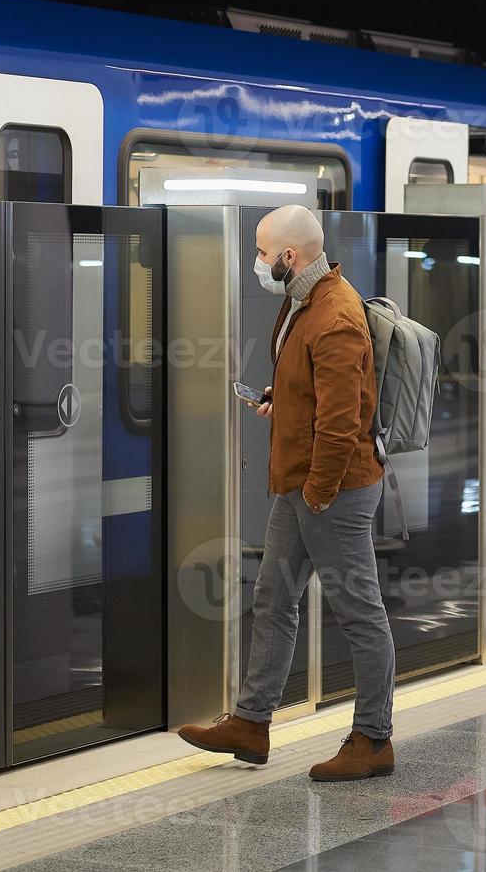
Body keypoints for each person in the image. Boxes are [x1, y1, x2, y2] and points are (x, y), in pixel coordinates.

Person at [178, 203, 396, 782]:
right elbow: (317, 390)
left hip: (333, 491)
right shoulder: (304, 300)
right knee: (275, 600)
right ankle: (251, 722)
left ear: (289, 257)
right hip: (298, 485)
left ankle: (373, 738)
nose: (256, 260)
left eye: (260, 251)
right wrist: (283, 396)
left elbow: (343, 421)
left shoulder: (336, 316)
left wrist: (321, 494)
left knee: (359, 614)